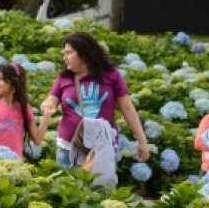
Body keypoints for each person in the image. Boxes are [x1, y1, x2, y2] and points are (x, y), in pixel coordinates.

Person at [41, 31, 149, 167]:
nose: (64, 57)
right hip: (68, 149)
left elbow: (127, 108)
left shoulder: (111, 75)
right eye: (63, 54)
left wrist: (142, 141)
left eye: (69, 53)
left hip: (103, 149)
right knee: (67, 188)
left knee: (101, 188)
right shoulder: (64, 77)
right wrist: (47, 105)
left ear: (84, 53)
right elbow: (52, 99)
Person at [0, 63, 50, 158]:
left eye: (1, 79)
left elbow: (37, 140)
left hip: (13, 163)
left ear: (13, 83)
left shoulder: (24, 108)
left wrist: (47, 117)